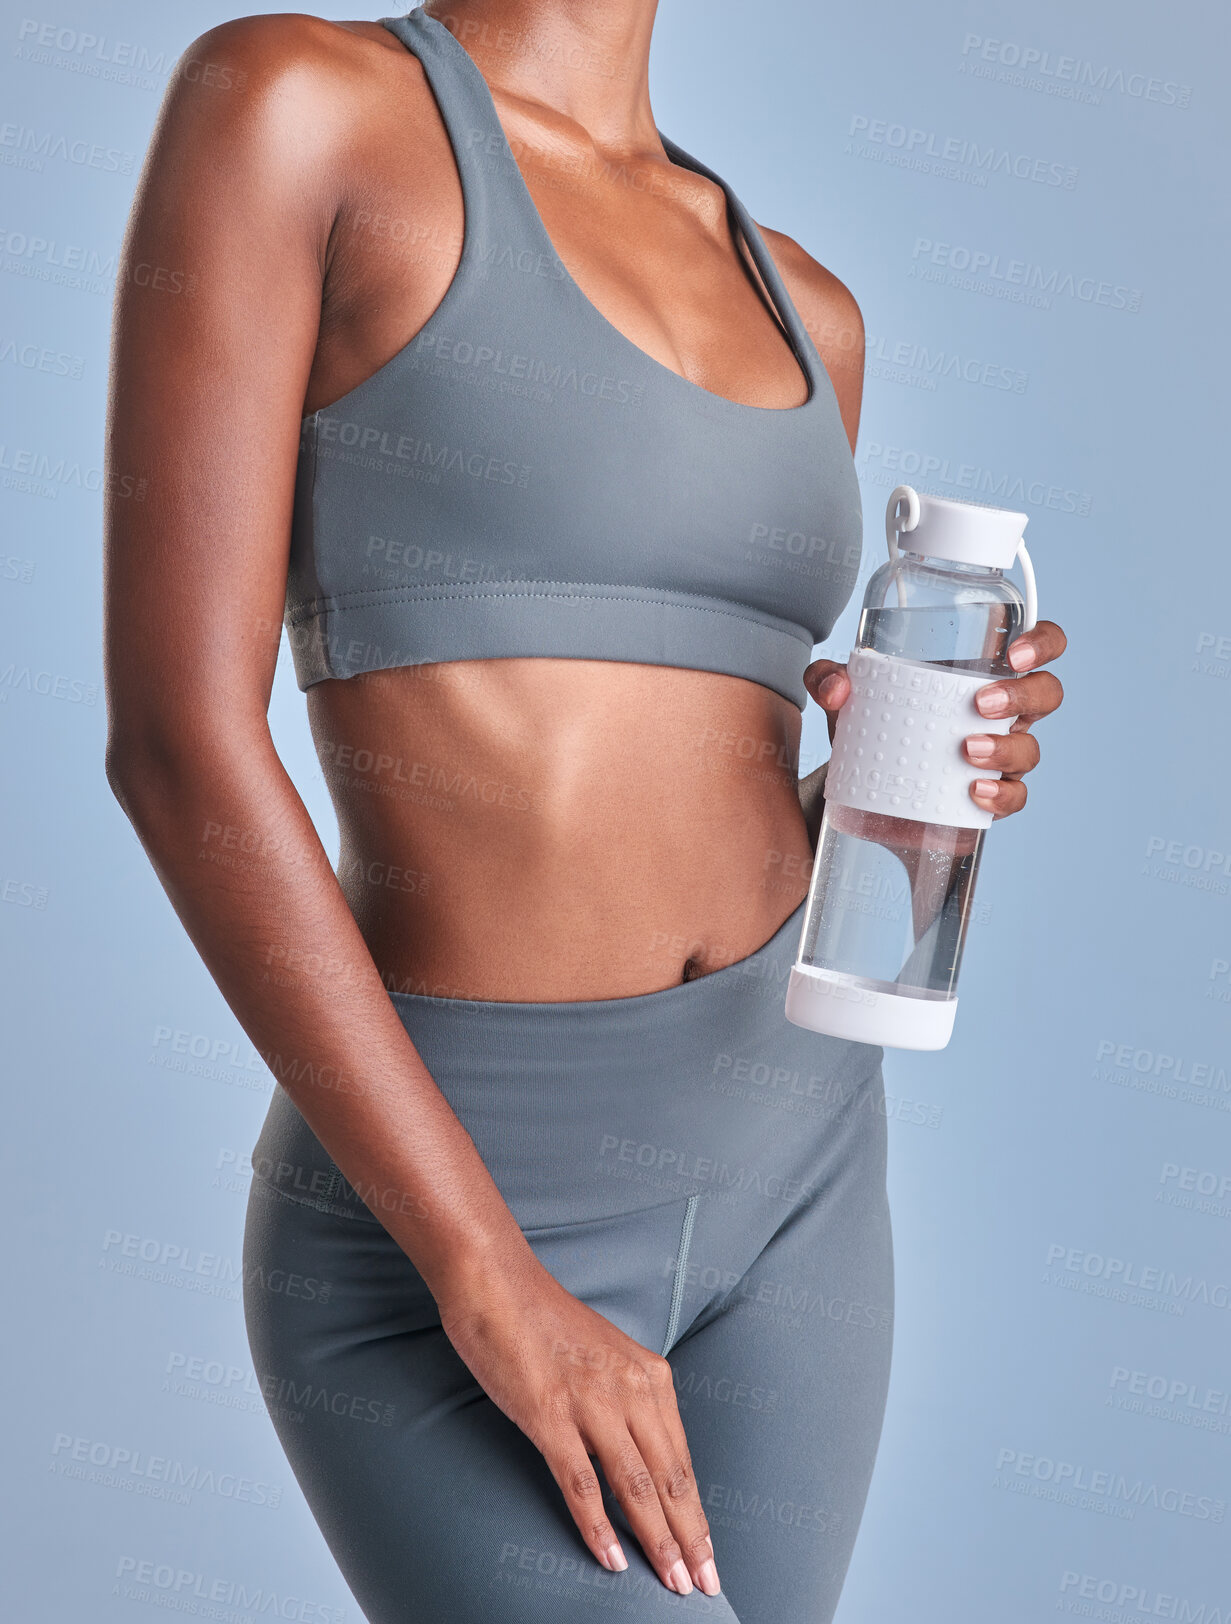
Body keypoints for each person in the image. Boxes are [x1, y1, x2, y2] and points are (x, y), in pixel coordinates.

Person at [103, 4, 1067, 1620]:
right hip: (470, 1186)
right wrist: (486, 1272)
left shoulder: (805, 305)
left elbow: (689, 761)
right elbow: (177, 739)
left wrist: (893, 807)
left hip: (802, 1156)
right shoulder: (300, 109)